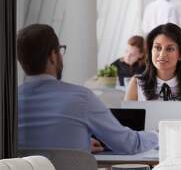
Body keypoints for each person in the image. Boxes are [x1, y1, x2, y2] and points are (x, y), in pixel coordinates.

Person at [17, 24, 158, 154]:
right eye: (60, 50)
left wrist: (79, 142)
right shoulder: (81, 98)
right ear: (53, 56)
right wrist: (158, 134)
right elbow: (129, 144)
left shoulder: (9, 101)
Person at [125, 23, 181, 121]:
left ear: (180, 55)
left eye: (170, 49)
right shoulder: (136, 84)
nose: (162, 55)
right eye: (157, 48)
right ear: (150, 51)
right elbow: (128, 131)